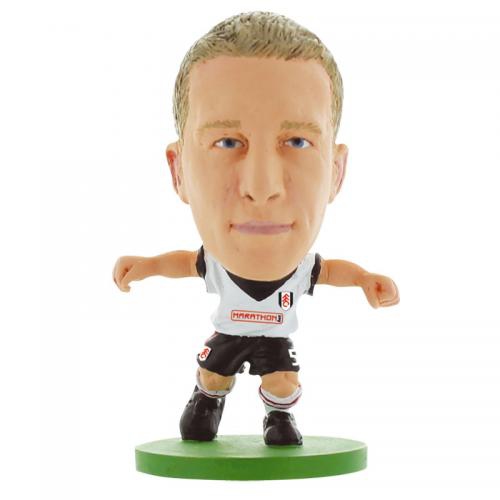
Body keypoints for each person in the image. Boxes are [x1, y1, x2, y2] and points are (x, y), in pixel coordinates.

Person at [112, 11, 399, 446]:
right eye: (227, 142)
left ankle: (279, 418)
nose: (262, 188)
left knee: (283, 382)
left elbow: (331, 272)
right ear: (178, 171)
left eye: (298, 142)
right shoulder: (216, 266)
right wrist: (147, 266)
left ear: (336, 173)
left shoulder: (301, 271)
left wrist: (363, 279)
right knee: (213, 373)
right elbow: (182, 264)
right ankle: (206, 400)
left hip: (274, 337)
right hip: (229, 333)